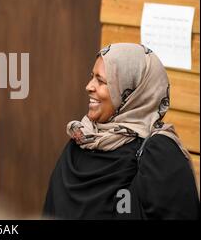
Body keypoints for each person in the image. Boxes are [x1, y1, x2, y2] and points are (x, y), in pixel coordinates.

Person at [43, 43, 199, 219]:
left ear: (132, 91)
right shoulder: (83, 138)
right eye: (92, 77)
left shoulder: (159, 154)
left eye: (101, 81)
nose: (88, 86)